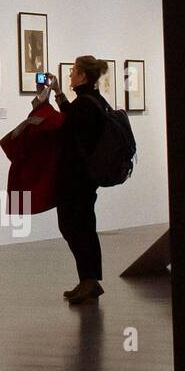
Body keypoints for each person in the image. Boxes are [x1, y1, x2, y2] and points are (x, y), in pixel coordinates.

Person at [41, 56, 108, 305]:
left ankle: (90, 281)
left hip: (77, 178)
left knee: (76, 227)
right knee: (81, 227)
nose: (70, 75)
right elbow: (72, 120)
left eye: (72, 71)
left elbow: (68, 128)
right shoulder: (92, 101)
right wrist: (59, 94)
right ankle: (87, 280)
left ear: (82, 75)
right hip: (83, 178)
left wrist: (47, 106)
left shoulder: (86, 105)